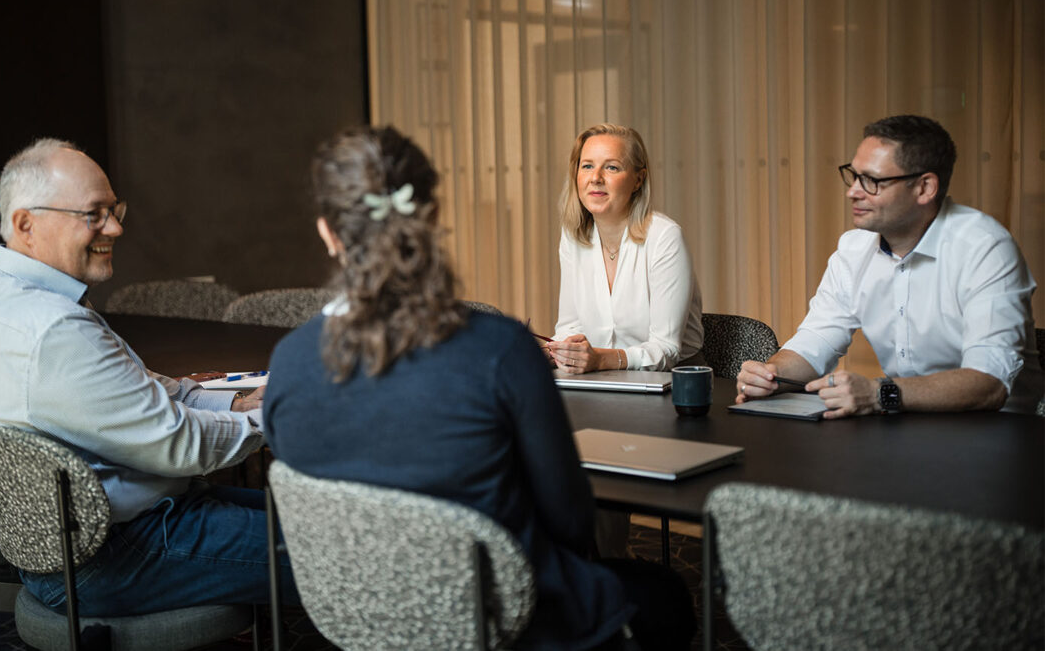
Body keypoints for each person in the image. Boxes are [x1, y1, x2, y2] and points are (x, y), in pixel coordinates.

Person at [263, 126, 695, 651]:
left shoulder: (287, 364)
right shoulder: (500, 351)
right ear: (432, 220)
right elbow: (572, 521)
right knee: (668, 596)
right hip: (507, 618)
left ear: (328, 233)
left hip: (356, 620)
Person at [0, 138, 294, 615]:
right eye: (93, 213)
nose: (115, 227)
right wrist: (280, 417)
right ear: (26, 224)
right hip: (113, 553)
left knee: (325, 524)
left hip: (75, 539)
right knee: (346, 550)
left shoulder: (3, 293)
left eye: (114, 209)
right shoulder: (53, 328)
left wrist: (237, 404)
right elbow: (180, 445)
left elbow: (130, 389)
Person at [737, 114, 1041, 416]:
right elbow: (816, 341)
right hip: (905, 426)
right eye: (854, 176)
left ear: (924, 188)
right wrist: (770, 375)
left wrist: (879, 392)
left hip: (997, 435)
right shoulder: (853, 249)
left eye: (872, 180)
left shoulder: (985, 248)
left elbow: (989, 383)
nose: (852, 191)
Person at [547, 124, 704, 374]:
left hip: (672, 381)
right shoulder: (573, 237)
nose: (595, 177)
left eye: (611, 167)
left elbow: (666, 349)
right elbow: (570, 326)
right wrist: (558, 350)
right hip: (598, 378)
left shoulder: (665, 237)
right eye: (587, 165)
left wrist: (602, 359)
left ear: (638, 180)